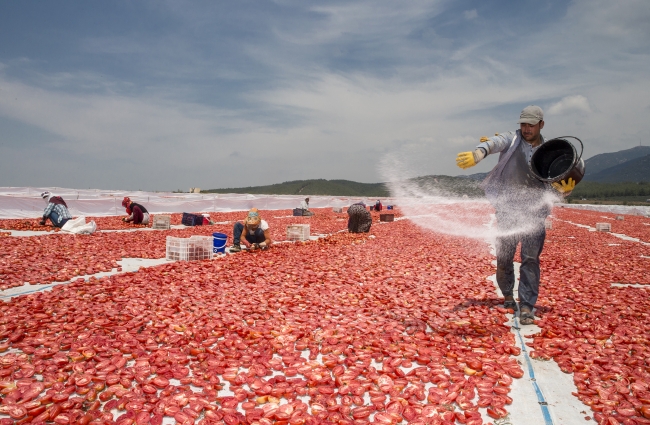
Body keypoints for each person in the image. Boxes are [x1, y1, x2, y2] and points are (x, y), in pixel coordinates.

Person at [455, 105, 577, 325]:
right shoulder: (512, 140)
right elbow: (494, 143)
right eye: (523, 124)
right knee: (504, 257)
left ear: (541, 124)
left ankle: (528, 306)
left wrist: (565, 190)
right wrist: (478, 153)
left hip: (534, 214)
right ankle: (509, 296)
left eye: (531, 124)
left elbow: (556, 182)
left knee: (530, 259)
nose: (526, 128)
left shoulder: (551, 151)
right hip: (508, 211)